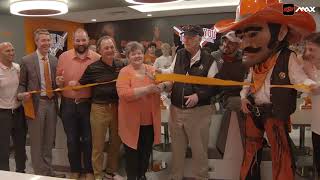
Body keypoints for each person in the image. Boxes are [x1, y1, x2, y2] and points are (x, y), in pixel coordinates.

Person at [214, 0, 317, 179]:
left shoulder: (287, 58)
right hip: (253, 111)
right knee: (250, 153)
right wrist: (244, 97)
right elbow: (248, 81)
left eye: (253, 34)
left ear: (281, 32)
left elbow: (299, 79)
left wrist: (312, 86)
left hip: (275, 113)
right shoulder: (255, 60)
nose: (245, 44)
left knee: (280, 153)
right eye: (241, 36)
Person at [159, 25, 218, 180]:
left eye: (191, 37)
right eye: (185, 36)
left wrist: (198, 96)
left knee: (199, 151)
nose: (186, 39)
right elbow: (172, 74)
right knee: (177, 150)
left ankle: (202, 177)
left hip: (199, 113)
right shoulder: (179, 54)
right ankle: (175, 177)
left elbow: (215, 86)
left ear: (200, 39)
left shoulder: (209, 59)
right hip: (175, 110)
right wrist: (162, 78)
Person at [116, 41, 168, 180]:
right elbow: (124, 94)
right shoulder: (124, 72)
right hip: (131, 123)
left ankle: (142, 175)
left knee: (145, 153)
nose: (137, 56)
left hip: (149, 122)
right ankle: (133, 177)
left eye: (139, 53)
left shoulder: (151, 69)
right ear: (128, 56)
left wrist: (163, 85)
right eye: (133, 54)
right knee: (132, 154)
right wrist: (147, 89)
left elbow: (168, 82)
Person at [17, 29, 63, 177]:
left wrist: (60, 84)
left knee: (49, 140)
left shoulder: (55, 60)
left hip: (52, 103)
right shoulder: (26, 60)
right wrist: (20, 94)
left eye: (48, 40)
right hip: (36, 105)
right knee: (36, 141)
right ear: (36, 41)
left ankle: (48, 170)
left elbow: (57, 85)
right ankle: (39, 172)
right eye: (43, 40)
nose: (46, 43)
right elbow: (22, 83)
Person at [56, 28, 100, 180]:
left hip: (88, 104)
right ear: (73, 41)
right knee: (71, 139)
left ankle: (89, 170)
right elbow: (58, 81)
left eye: (83, 40)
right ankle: (75, 169)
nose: (81, 43)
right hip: (67, 105)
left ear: (88, 40)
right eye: (77, 40)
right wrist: (59, 82)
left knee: (89, 139)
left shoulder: (97, 58)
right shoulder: (63, 57)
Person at [79, 36, 125, 180]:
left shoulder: (121, 65)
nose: (110, 50)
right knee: (98, 145)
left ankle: (111, 171)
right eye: (106, 48)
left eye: (112, 47)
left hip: (117, 108)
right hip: (99, 108)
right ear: (99, 50)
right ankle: (98, 175)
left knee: (116, 142)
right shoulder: (92, 68)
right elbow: (81, 84)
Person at [212, 31, 247, 179]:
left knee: (240, 104)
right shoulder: (214, 56)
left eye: (231, 42)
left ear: (238, 45)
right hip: (219, 96)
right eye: (225, 41)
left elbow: (248, 82)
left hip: (239, 96)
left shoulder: (245, 60)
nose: (226, 44)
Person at [0, 42, 27, 172]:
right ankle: (4, 174)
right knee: (3, 147)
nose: (11, 53)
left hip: (18, 111)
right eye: (7, 51)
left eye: (12, 50)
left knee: (21, 146)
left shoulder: (17, 68)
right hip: (2, 113)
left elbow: (22, 86)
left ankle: (21, 173)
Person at [301, 32, 320, 179]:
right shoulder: (312, 70)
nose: (308, 53)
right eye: (307, 49)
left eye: (312, 49)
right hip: (317, 129)